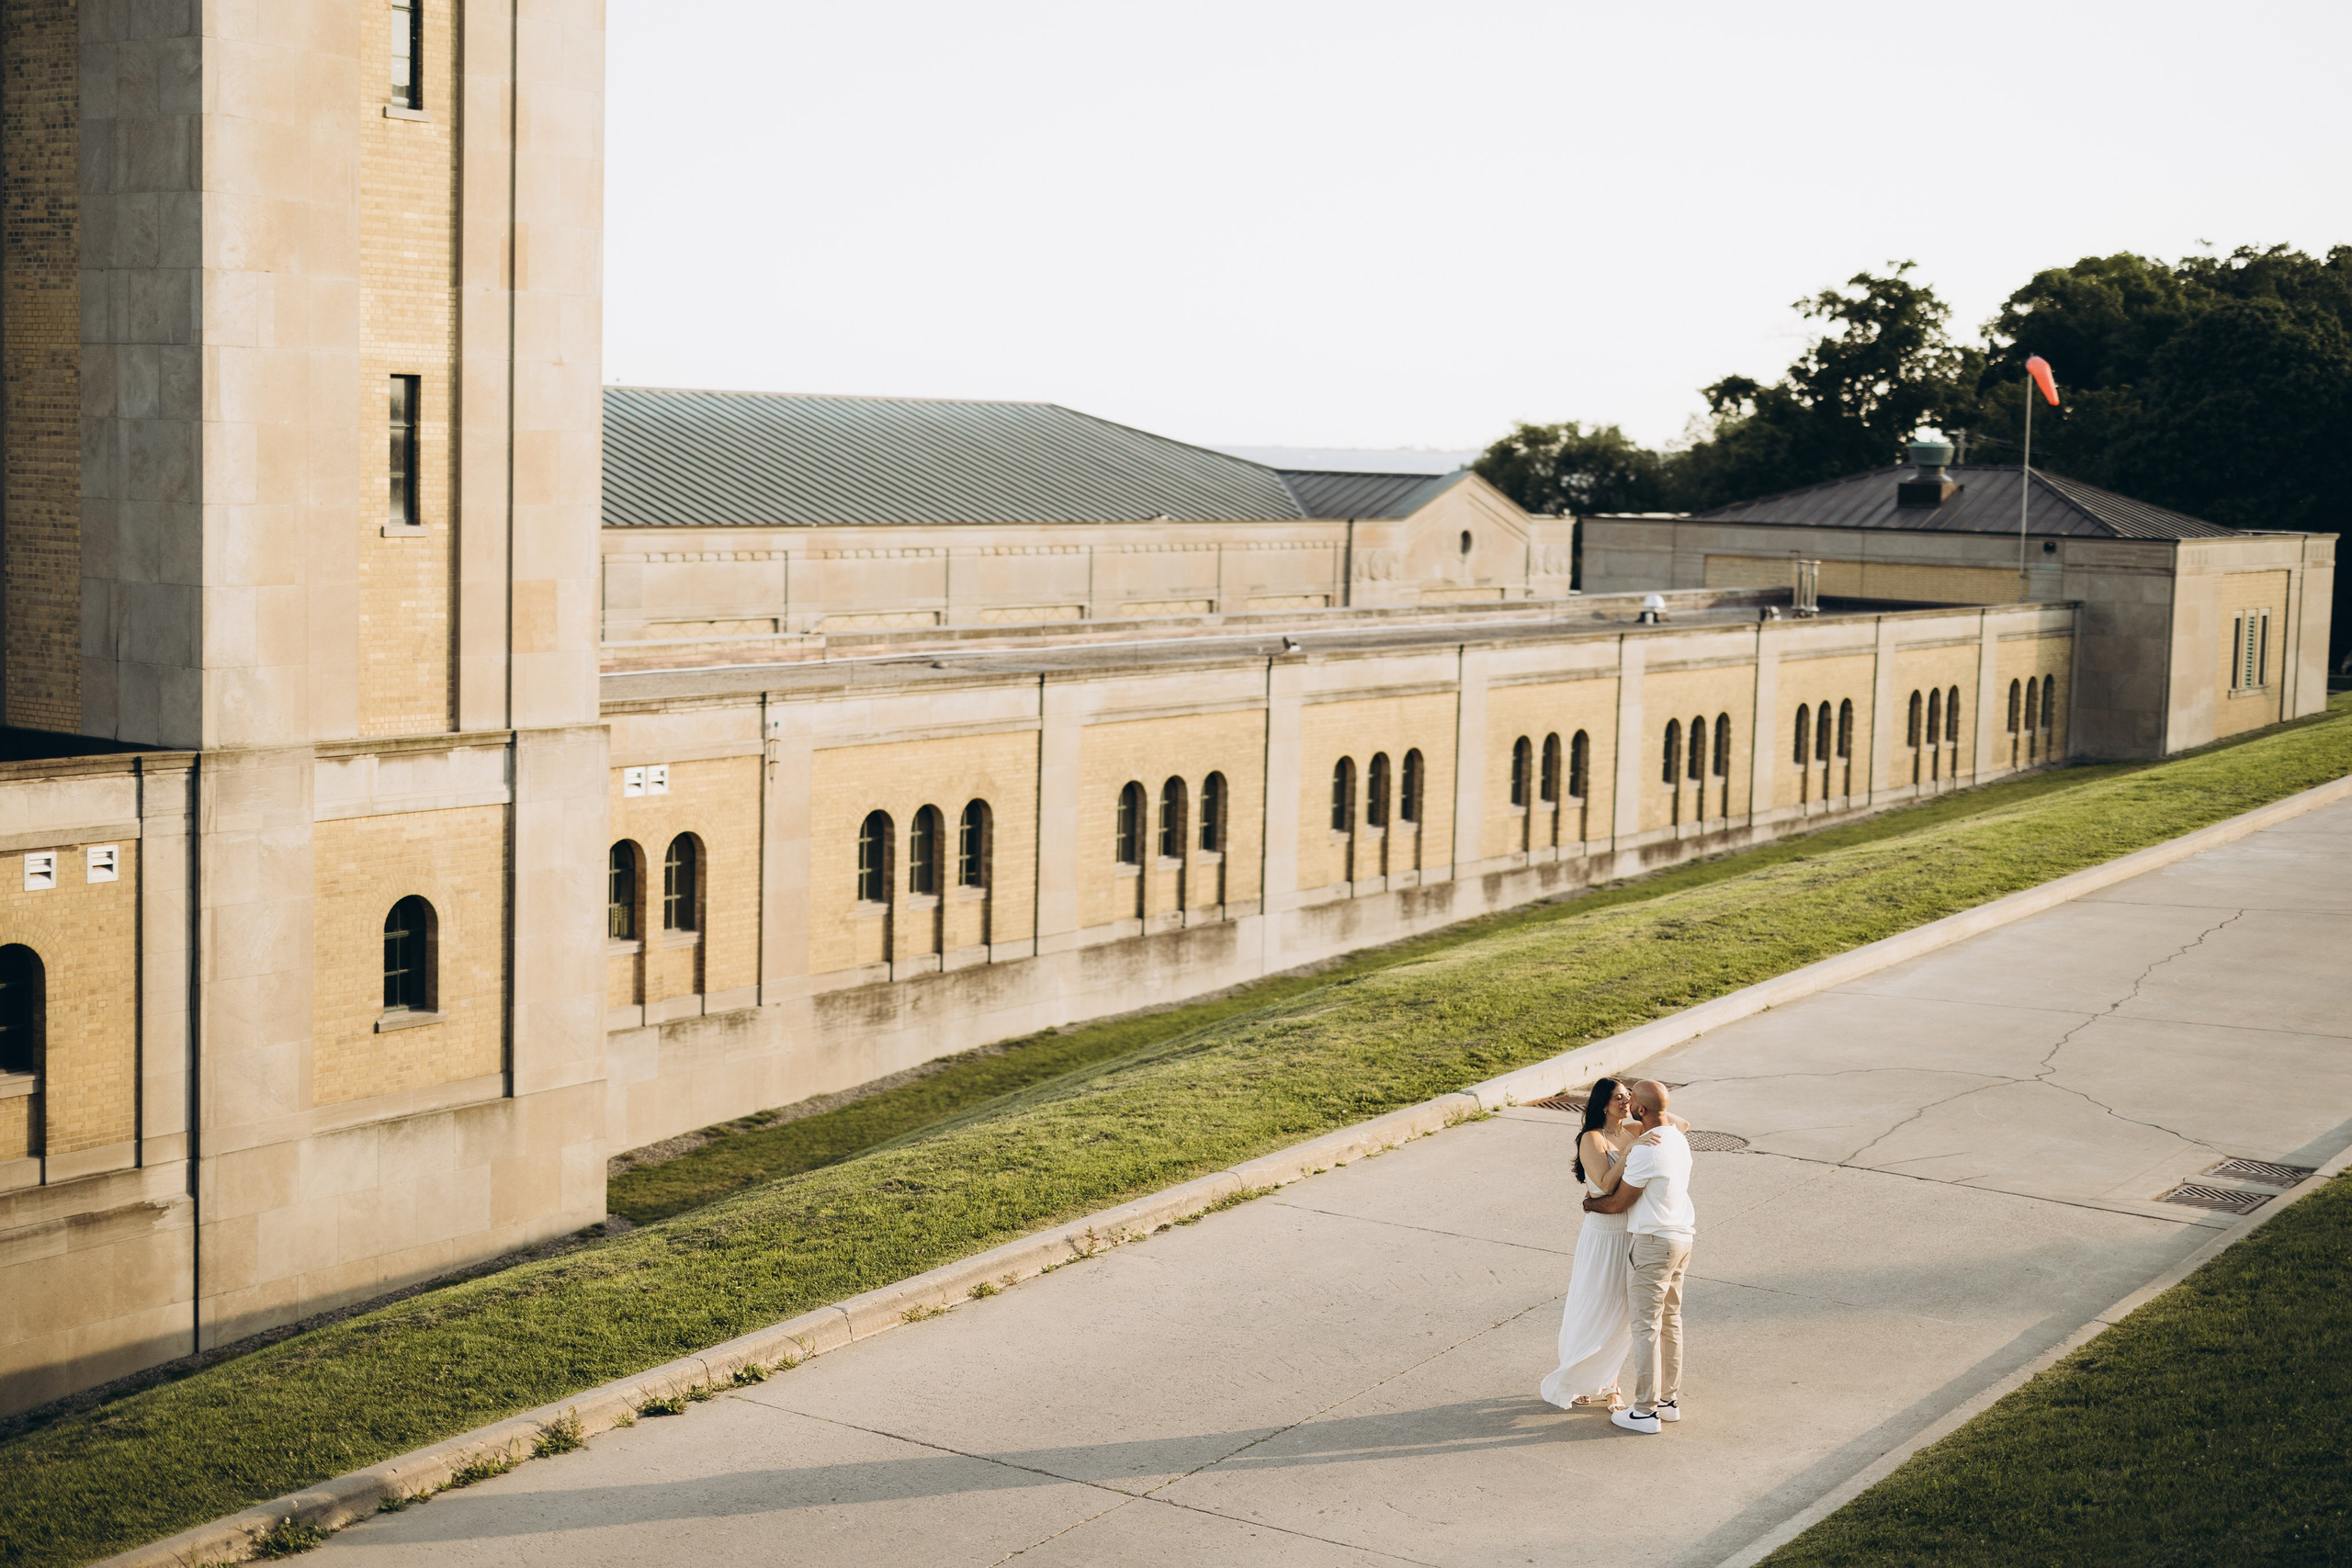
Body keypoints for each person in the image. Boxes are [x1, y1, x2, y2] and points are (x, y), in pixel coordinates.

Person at [1581, 1079, 1695, 1435]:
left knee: (1645, 1327)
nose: (1626, 1102)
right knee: (1670, 1321)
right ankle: (1668, 1402)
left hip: (1653, 1244)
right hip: (1682, 1239)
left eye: (1632, 1099)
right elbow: (1673, 1117)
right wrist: (1652, 1107)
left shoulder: (1646, 1151)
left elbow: (1617, 1203)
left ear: (1639, 1110)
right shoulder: (1677, 1137)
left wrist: (1589, 1204)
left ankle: (1645, 1411)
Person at [1538, 1078, 1637, 1410]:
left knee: (1621, 1310)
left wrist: (1644, 1117)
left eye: (1628, 1096)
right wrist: (1628, 1153)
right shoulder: (1592, 1139)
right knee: (1595, 1305)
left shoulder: (1634, 1129)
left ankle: (1611, 1384)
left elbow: (1680, 1125)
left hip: (1630, 1230)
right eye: (1618, 1098)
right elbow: (1607, 1185)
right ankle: (1578, 1375)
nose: (1625, 1102)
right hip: (1603, 1234)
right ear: (1602, 1104)